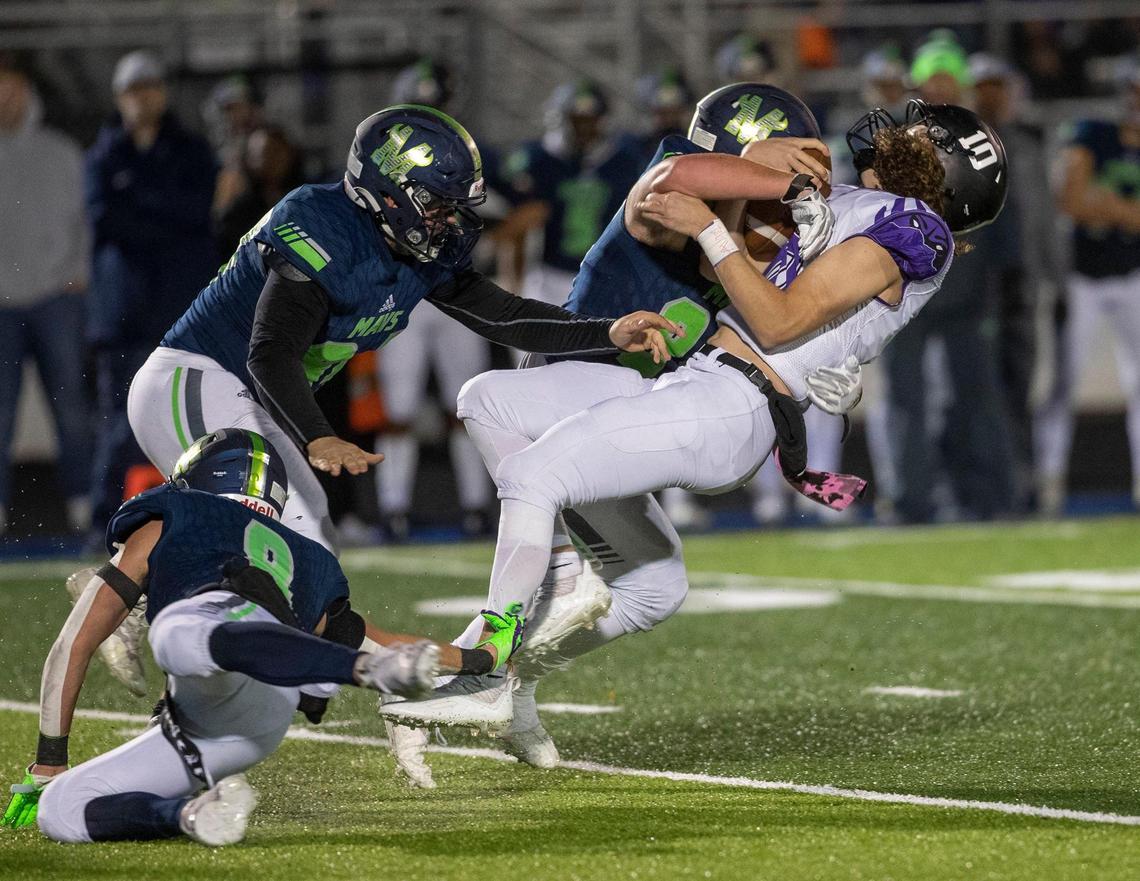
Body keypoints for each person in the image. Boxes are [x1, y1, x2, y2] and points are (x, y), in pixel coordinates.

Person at [381, 101, 1008, 776]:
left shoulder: (919, 228)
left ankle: (486, 665)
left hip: (733, 403)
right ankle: (519, 678)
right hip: (705, 384)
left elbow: (777, 320)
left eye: (913, 133)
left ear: (936, 163)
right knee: (500, 409)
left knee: (534, 477)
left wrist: (711, 224)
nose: (889, 130)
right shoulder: (867, 206)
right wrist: (744, 196)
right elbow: (731, 277)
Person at [126, 102, 681, 556]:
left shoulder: (416, 250)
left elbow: (506, 316)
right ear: (389, 190)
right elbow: (270, 352)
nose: (450, 220)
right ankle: (195, 652)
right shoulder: (320, 223)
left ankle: (135, 584)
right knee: (279, 538)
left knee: (310, 534)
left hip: (246, 398)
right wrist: (319, 434)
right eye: (438, 205)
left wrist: (606, 333)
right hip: (195, 379)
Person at [1, 428, 523, 844]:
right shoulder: (306, 556)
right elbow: (370, 635)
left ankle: (363, 676)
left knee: (176, 634)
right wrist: (480, 658)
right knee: (61, 810)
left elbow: (74, 641)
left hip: (221, 654)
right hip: (251, 720)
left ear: (198, 477)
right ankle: (190, 814)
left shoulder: (173, 516)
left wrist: (50, 757)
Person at [86, 50, 218, 544]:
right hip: (123, 314)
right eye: (132, 90)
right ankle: (102, 525)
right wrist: (164, 212)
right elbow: (105, 218)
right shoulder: (103, 154)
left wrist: (139, 201)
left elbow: (195, 212)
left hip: (178, 313)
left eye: (149, 87)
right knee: (118, 424)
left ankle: (198, 519)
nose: (142, 99)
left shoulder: (190, 150)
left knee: (189, 422)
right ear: (120, 97)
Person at [884, 34, 1017, 522]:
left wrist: (1008, 273)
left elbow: (1002, 211)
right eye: (932, 78)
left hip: (968, 283)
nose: (940, 88)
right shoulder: (894, 138)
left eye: (948, 78)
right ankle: (911, 500)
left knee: (976, 398)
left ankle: (987, 498)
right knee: (906, 401)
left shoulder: (985, 139)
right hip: (905, 287)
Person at [372, 61, 495, 541]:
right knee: (398, 409)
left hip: (452, 286)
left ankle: (475, 506)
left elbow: (503, 210)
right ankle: (393, 508)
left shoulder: (471, 151)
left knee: (466, 404)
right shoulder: (383, 157)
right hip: (402, 288)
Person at [1035, 56, 1140, 515]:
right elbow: (1070, 200)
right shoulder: (1091, 132)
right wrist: (1121, 213)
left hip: (1133, 275)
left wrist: (1110, 206)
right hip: (1083, 279)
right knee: (1064, 383)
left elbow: (1092, 201)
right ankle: (1048, 481)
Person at [0, 53, 91, 535]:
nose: (4, 100)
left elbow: (85, 218)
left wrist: (79, 271)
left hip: (57, 297)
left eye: (11, 88)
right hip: (1, 306)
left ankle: (84, 507)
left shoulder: (61, 152)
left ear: (27, 92)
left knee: (71, 404)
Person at [496, 80, 645, 309]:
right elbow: (514, 226)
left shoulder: (626, 162)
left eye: (590, 121)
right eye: (576, 120)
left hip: (607, 276)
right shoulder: (538, 160)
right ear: (561, 119)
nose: (583, 129)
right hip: (548, 276)